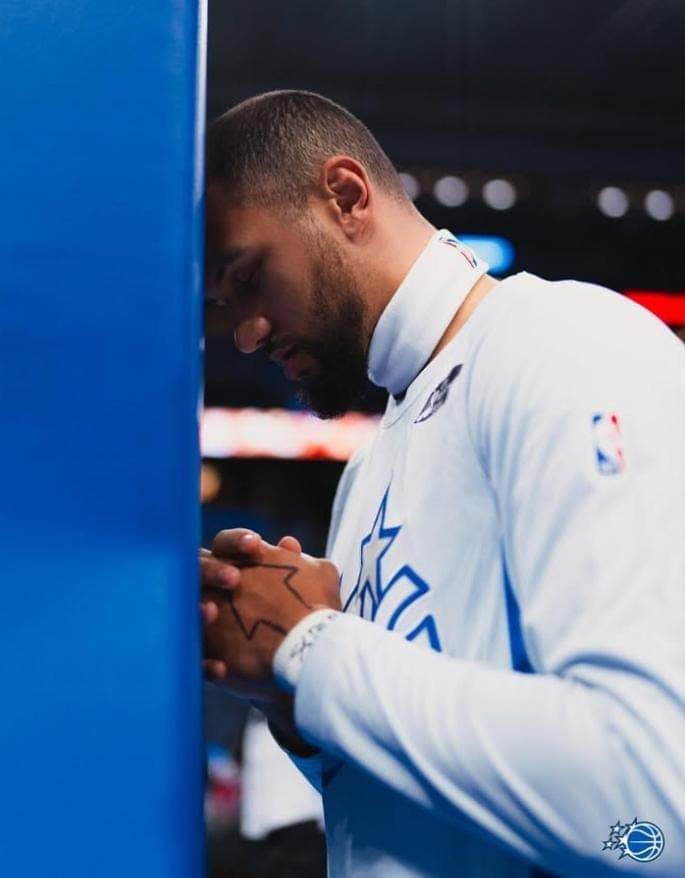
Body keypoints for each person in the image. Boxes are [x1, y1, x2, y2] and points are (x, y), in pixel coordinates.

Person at [200, 90, 685, 876]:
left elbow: (653, 816)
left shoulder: (567, 345)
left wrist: (311, 649)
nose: (247, 331)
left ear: (346, 197)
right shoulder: (370, 463)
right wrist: (286, 698)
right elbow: (396, 813)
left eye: (249, 277)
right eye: (227, 304)